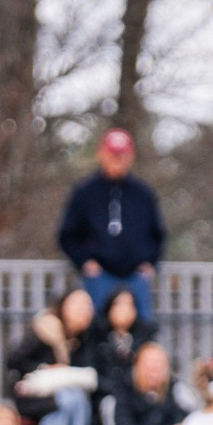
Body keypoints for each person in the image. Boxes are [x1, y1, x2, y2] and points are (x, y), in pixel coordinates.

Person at [57, 128, 166, 320]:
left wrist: (150, 262)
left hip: (136, 277)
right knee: (97, 328)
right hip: (99, 276)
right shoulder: (84, 192)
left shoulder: (143, 193)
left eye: (122, 155)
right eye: (113, 154)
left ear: (131, 156)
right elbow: (67, 234)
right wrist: (84, 261)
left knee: (141, 327)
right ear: (101, 154)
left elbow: (158, 234)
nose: (118, 159)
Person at [5, 289, 97, 425]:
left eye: (87, 306)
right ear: (63, 306)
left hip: (64, 398)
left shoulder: (87, 340)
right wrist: (45, 369)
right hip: (31, 395)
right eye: (77, 304)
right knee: (69, 400)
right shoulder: (45, 329)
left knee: (73, 400)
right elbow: (14, 360)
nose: (83, 310)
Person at [80, 288, 155, 406]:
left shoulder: (144, 339)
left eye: (129, 304)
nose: (123, 309)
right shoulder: (96, 337)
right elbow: (90, 370)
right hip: (103, 397)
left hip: (137, 398)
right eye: (118, 304)